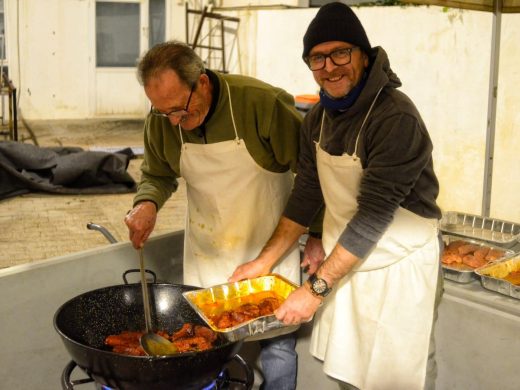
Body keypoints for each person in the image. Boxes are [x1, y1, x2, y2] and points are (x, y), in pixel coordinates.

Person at [230, 3, 444, 390]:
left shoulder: (395, 118)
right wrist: (263, 262)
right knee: (349, 374)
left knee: (395, 378)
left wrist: (314, 291)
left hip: (398, 266)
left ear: (363, 55)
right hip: (350, 262)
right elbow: (306, 195)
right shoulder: (317, 119)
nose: (329, 67)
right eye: (317, 58)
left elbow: (373, 217)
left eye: (340, 53)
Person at [124, 40, 319, 390]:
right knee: (208, 349)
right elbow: (157, 174)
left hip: (269, 251)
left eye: (181, 111)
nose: (174, 122)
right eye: (163, 112)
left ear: (201, 82)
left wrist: (317, 232)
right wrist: (147, 204)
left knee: (278, 346)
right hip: (208, 253)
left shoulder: (262, 104)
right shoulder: (163, 118)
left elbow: (312, 174)